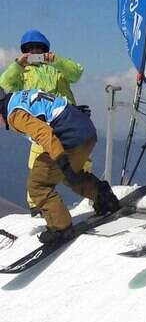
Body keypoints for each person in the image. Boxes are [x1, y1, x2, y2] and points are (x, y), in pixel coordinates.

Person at [0, 88, 119, 244]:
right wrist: (73, 112)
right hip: (85, 132)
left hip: (72, 139)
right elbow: (49, 102)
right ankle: (103, 197)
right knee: (69, 175)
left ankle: (60, 228)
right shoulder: (18, 98)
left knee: (38, 184)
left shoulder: (15, 115)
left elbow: (44, 133)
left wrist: (62, 161)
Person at [0, 30, 85, 216]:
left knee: (80, 164)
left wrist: (57, 60)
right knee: (38, 168)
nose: (35, 52)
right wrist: (17, 65)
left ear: (46, 49)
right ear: (24, 52)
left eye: (39, 48)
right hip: (40, 128)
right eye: (30, 49)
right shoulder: (22, 72)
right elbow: (4, 85)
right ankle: (37, 207)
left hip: (66, 121)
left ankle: (88, 200)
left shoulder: (57, 67)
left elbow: (77, 73)